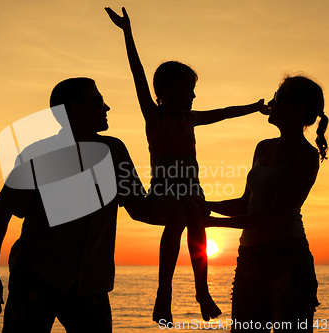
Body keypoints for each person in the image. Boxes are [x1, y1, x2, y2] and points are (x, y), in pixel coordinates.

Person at [105, 7, 268, 324]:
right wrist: (127, 32)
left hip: (192, 191)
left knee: (194, 214)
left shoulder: (190, 119)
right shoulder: (156, 117)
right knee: (178, 215)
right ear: (166, 93)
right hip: (162, 193)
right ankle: (163, 294)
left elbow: (223, 112)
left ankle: (201, 290)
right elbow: (137, 74)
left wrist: (254, 107)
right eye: (188, 90)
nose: (193, 96)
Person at [0, 77, 162, 333]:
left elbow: (139, 209)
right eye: (99, 101)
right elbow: (1, 214)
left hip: (90, 282)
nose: (106, 107)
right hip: (38, 276)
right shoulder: (37, 155)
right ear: (76, 108)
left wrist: (191, 213)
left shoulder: (115, 151)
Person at [205, 75, 328, 332]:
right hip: (249, 258)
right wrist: (205, 204)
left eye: (279, 97)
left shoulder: (306, 156)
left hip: (287, 259)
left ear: (299, 110)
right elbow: (245, 204)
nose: (271, 102)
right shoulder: (263, 147)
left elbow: (274, 218)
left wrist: (213, 222)